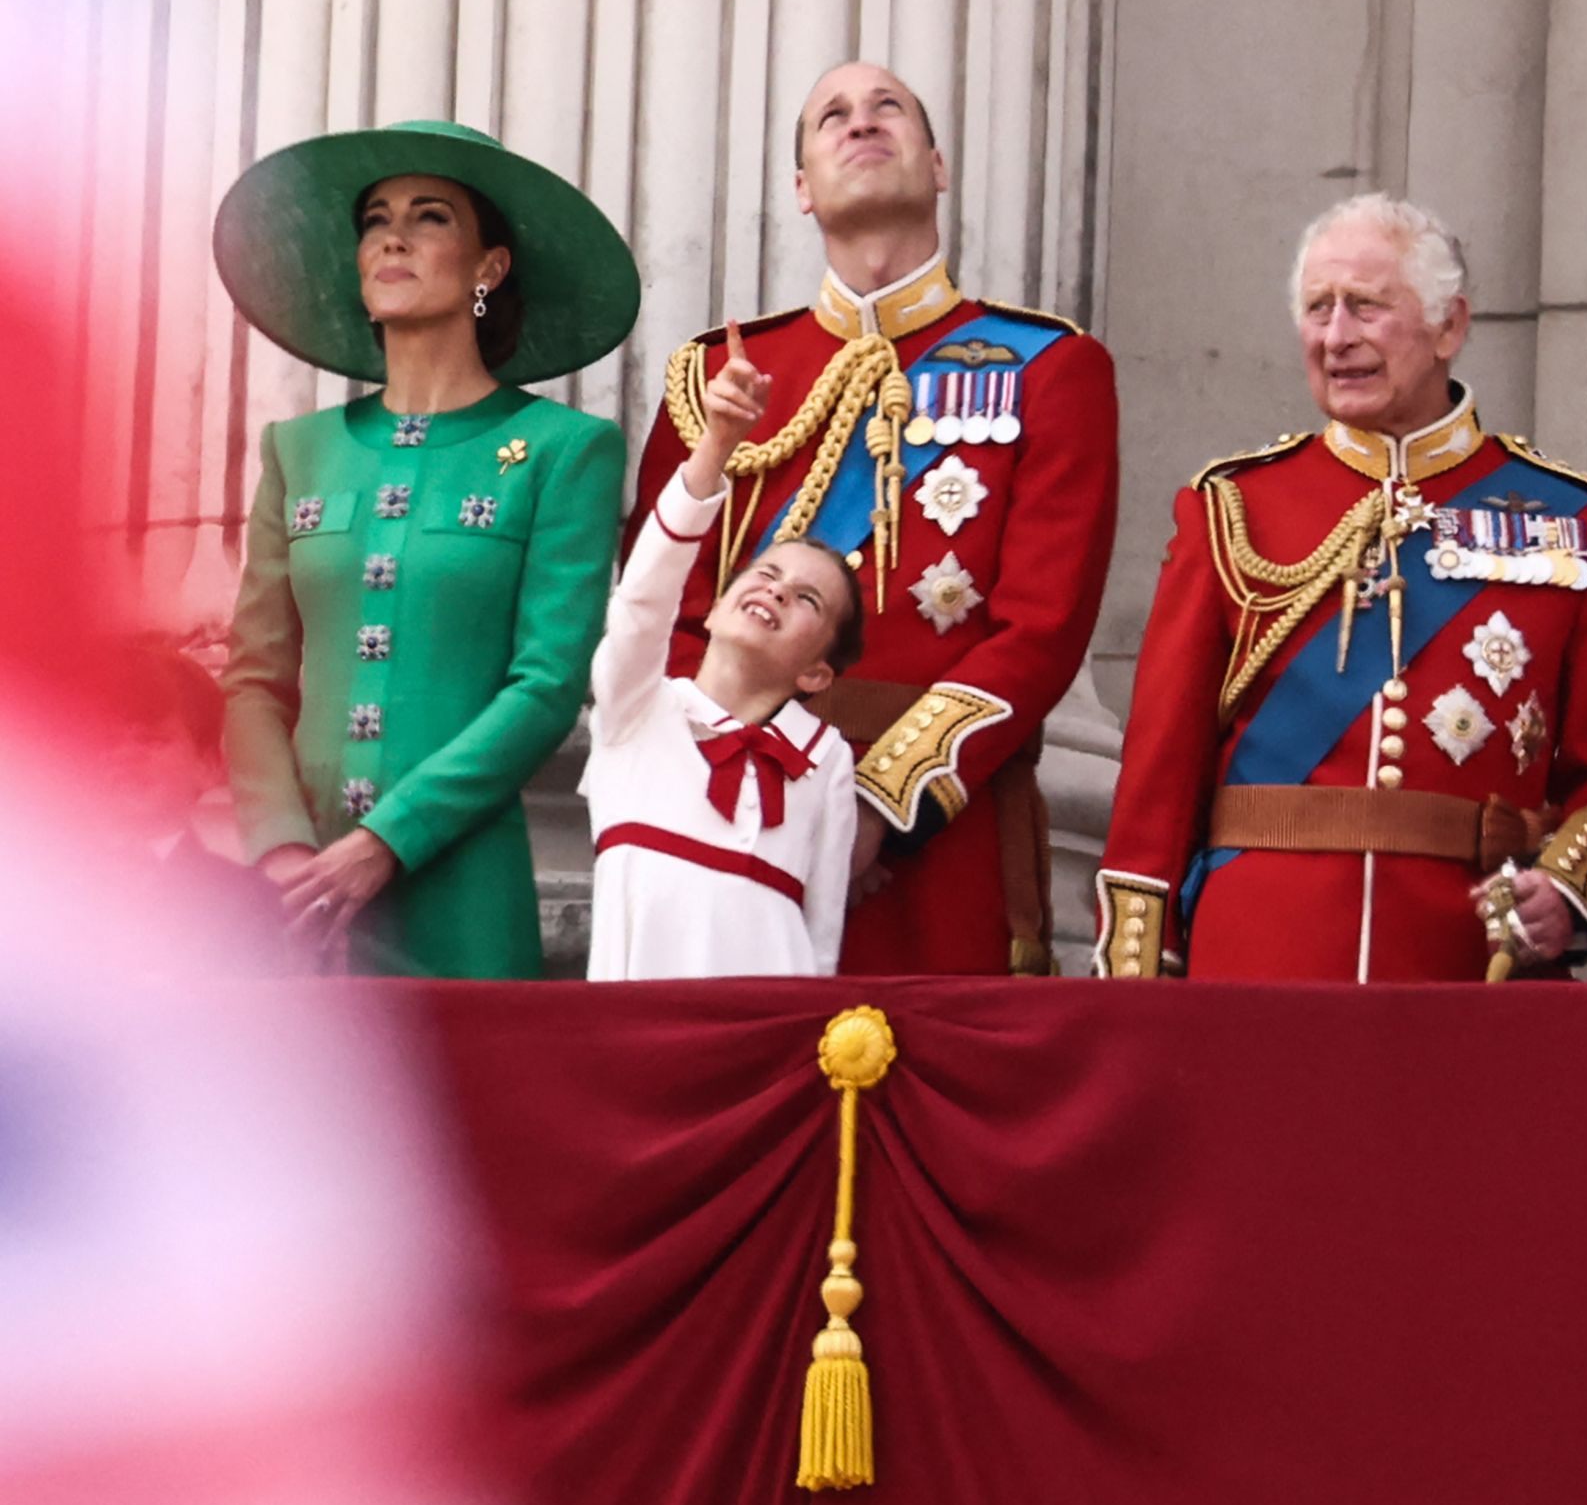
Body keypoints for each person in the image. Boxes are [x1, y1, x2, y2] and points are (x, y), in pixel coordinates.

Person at [1095, 192, 1587, 983]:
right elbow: (1158, 776)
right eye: (1316, 308)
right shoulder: (1230, 508)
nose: (1335, 337)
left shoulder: (1574, 520)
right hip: (1255, 956)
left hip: (1465, 966)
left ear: (1449, 326)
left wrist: (1565, 890)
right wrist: (1134, 979)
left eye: (1365, 307)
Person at [626, 62, 1119, 976]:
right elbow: (661, 608)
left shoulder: (1051, 367)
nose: (862, 122)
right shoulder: (715, 377)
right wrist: (745, 774)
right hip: (734, 810)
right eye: (832, 116)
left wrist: (881, 804)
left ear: (935, 166)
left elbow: (1041, 629)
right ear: (804, 191)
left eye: (887, 107)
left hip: (936, 837)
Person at [215, 120, 638, 977]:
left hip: (462, 888)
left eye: (431, 216)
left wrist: (386, 840)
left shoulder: (563, 448)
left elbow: (548, 682)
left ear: (490, 266)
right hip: (297, 906)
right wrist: (282, 852)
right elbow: (254, 679)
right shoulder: (298, 449)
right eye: (375, 218)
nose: (393, 236)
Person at [585, 324, 861, 980]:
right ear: (711, 607)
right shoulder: (637, 708)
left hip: (762, 1040)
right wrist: (716, 444)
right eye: (763, 574)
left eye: (807, 600)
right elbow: (642, 597)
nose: (776, 590)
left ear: (815, 670)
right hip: (636, 1035)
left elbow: (820, 942)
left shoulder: (824, 758)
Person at [91, 635, 292, 975]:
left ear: (209, 765)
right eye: (107, 740)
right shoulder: (33, 884)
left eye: (151, 739)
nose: (125, 757)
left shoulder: (247, 903)